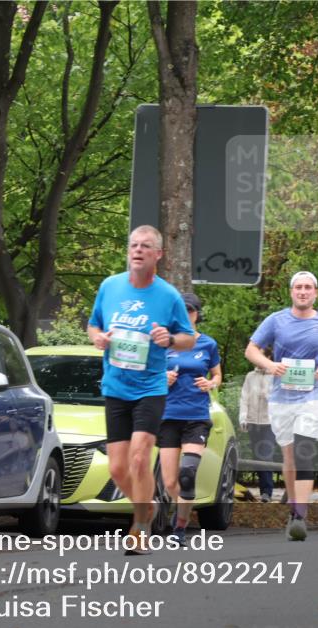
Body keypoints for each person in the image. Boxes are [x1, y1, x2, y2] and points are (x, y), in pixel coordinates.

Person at [87, 225, 195, 555]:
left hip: (150, 387)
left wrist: (169, 339)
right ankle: (146, 506)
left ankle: (141, 528)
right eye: (133, 245)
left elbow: (188, 338)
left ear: (158, 254)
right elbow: (93, 324)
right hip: (116, 386)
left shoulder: (168, 296)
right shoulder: (110, 286)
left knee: (139, 457)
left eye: (145, 246)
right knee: (117, 468)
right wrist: (98, 338)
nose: (137, 250)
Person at [245, 271, 318, 541]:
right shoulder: (276, 320)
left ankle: (300, 516)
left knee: (304, 450)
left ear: (316, 293)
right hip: (282, 397)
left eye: (308, 287)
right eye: (298, 287)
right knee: (289, 457)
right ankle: (293, 510)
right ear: (291, 292)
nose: (303, 291)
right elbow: (251, 350)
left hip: (313, 394)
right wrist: (270, 365)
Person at [159, 293, 222, 546]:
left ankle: (179, 529)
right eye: (181, 311)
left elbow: (217, 376)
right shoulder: (164, 343)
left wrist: (210, 383)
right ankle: (180, 510)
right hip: (168, 417)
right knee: (169, 481)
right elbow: (148, 376)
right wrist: (162, 379)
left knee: (187, 472)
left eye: (190, 311)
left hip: (196, 416)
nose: (186, 315)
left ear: (197, 314)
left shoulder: (208, 344)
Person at [240, 367, 278, 503]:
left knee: (265, 456)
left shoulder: (276, 375)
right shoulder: (250, 375)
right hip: (252, 422)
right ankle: (264, 491)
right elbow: (244, 398)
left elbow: (280, 399)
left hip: (269, 422)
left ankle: (267, 492)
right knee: (257, 458)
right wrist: (243, 418)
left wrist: (267, 394)